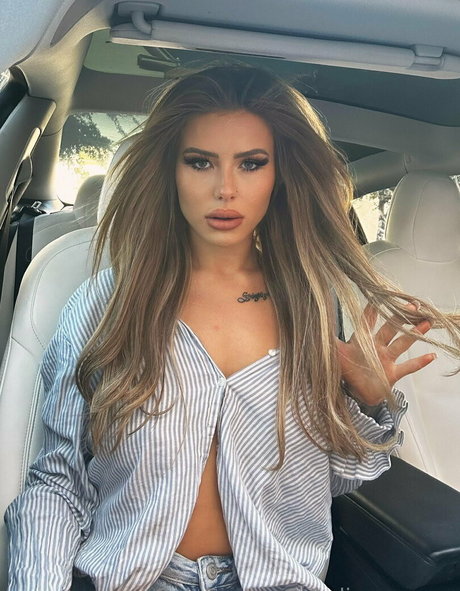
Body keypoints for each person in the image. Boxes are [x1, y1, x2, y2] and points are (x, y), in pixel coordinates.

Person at [5, 64, 460, 591]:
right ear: (170, 171)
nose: (225, 189)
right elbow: (58, 482)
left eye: (251, 163)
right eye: (200, 162)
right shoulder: (106, 305)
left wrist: (367, 402)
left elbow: (327, 485)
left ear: (278, 175)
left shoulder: (312, 307)